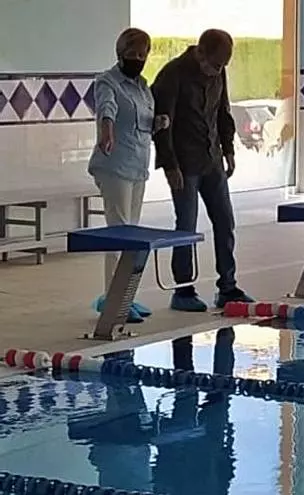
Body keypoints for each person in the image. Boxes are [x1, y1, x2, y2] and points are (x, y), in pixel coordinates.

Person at [151, 29, 254, 312]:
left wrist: (229, 149)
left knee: (225, 221)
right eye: (215, 64)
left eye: (223, 65)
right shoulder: (173, 74)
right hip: (184, 163)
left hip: (212, 160)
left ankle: (228, 287)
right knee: (186, 226)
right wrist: (169, 165)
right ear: (200, 52)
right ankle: (183, 290)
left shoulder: (219, 72)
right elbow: (162, 124)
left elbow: (223, 112)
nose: (218, 71)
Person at [88, 27, 169, 324]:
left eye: (142, 54)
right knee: (119, 232)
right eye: (132, 53)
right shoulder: (107, 81)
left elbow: (141, 123)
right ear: (120, 53)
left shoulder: (143, 87)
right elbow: (106, 108)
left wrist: (157, 122)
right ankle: (112, 298)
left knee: (131, 234)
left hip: (137, 166)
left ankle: (125, 295)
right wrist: (106, 129)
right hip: (114, 166)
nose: (138, 59)